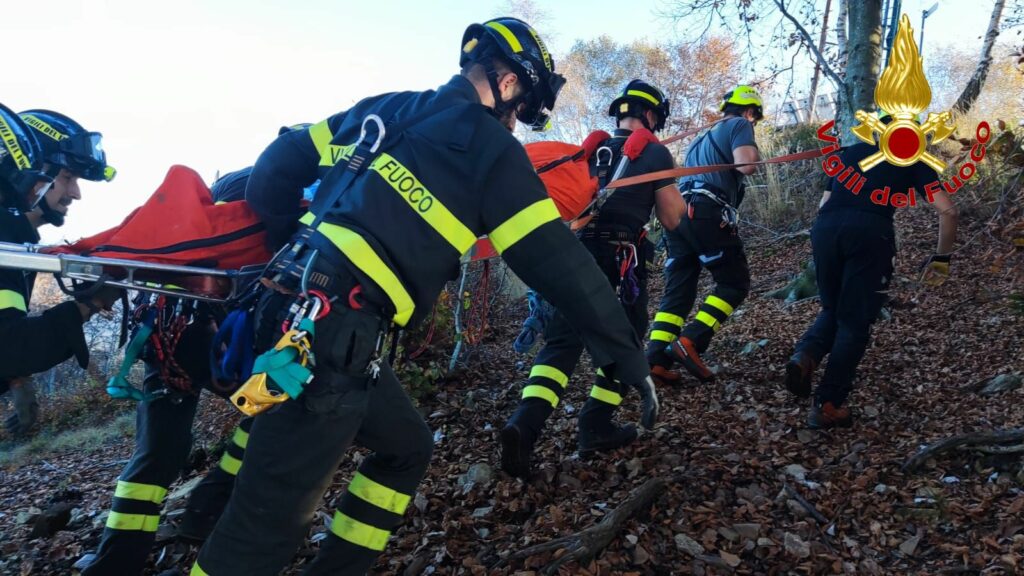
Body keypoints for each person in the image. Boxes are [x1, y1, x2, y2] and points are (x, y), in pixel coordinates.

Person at [190, 17, 658, 576]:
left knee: (408, 446)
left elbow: (276, 162)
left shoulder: (384, 108)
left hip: (288, 310)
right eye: (520, 111)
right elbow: (561, 265)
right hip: (334, 337)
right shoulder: (491, 152)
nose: (516, 127)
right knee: (260, 530)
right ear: (508, 85)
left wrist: (289, 239)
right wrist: (629, 357)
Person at [500, 79, 683, 478]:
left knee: (562, 342)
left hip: (571, 254)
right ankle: (596, 424)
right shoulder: (654, 152)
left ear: (621, 113)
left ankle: (524, 426)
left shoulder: (588, 150)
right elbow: (671, 218)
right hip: (619, 261)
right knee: (626, 341)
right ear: (651, 116)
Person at [782, 111, 958, 428]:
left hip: (826, 230)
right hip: (870, 232)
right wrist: (941, 258)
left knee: (833, 307)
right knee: (855, 320)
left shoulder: (848, 154)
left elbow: (824, 204)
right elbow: (948, 211)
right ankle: (829, 403)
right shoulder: (912, 161)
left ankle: (805, 355)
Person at [0, 105, 120, 438]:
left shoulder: (14, 243)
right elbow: (6, 346)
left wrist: (16, 377)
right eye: (67, 177)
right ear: (26, 170)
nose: (76, 193)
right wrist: (91, 304)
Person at [645, 85, 763, 385]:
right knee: (734, 283)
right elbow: (746, 164)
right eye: (755, 118)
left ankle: (656, 359)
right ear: (750, 112)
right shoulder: (739, 124)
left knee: (678, 293)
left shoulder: (701, 139)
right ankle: (691, 341)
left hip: (679, 215)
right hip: (707, 212)